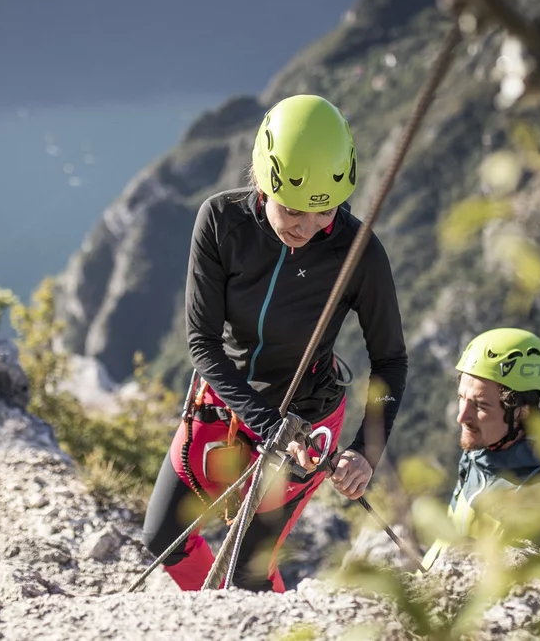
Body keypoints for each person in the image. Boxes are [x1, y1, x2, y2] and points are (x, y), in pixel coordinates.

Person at [141, 94, 409, 592]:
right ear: (263, 183)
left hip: (307, 420)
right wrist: (265, 424)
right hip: (227, 405)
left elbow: (390, 358)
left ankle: (238, 617)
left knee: (247, 575)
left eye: (323, 209)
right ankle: (213, 614)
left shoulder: (357, 252)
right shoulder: (222, 222)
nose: (307, 227)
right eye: (294, 210)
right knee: (163, 537)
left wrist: (364, 452)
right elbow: (202, 340)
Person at [421, 327, 540, 569]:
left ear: (522, 412)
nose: (462, 417)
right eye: (461, 398)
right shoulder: (481, 447)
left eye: (480, 406)